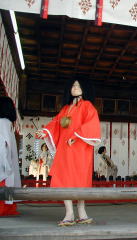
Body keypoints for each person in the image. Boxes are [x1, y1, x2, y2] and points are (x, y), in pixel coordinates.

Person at [36, 79, 101, 226]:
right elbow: (56, 122)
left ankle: (82, 212)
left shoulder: (87, 106)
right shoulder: (65, 108)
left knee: (80, 178)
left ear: (85, 88)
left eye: (78, 85)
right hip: (64, 149)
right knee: (63, 178)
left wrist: (76, 136)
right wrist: (45, 130)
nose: (75, 87)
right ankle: (69, 213)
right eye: (73, 85)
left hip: (80, 148)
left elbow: (91, 123)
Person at [0, 96, 21, 216]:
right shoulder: (7, 123)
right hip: (6, 161)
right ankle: (8, 209)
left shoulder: (2, 123)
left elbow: (2, 145)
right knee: (8, 186)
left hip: (3, 162)